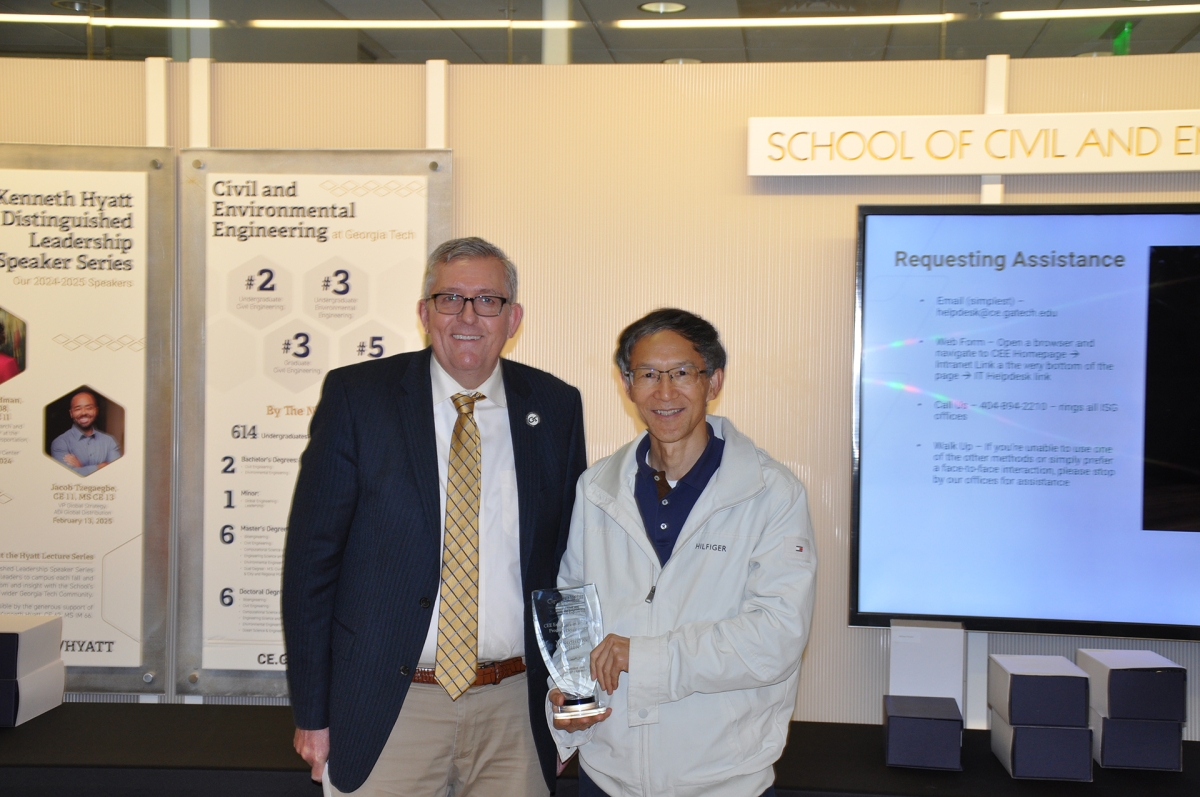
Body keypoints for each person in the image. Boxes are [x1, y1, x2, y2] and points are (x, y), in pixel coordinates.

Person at [282, 237, 588, 797]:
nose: (468, 316)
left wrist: (575, 698)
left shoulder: (556, 405)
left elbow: (570, 564)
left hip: (513, 710)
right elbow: (310, 566)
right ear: (424, 313)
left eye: (487, 300)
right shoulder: (359, 398)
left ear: (513, 317)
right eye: (450, 298)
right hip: (389, 708)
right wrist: (312, 712)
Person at [547, 308, 817, 797]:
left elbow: (777, 637)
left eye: (681, 374)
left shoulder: (771, 493)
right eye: (648, 374)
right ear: (628, 385)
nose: (664, 392)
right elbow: (573, 608)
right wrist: (572, 700)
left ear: (713, 381)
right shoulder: (597, 489)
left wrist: (645, 658)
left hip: (724, 780)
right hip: (608, 776)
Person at [49, 391, 121, 476]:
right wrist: (101, 466)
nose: (83, 413)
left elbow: (116, 473)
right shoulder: (59, 443)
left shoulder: (109, 441)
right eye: (78, 409)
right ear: (71, 413)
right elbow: (65, 477)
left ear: (96, 410)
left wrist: (80, 468)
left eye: (89, 408)